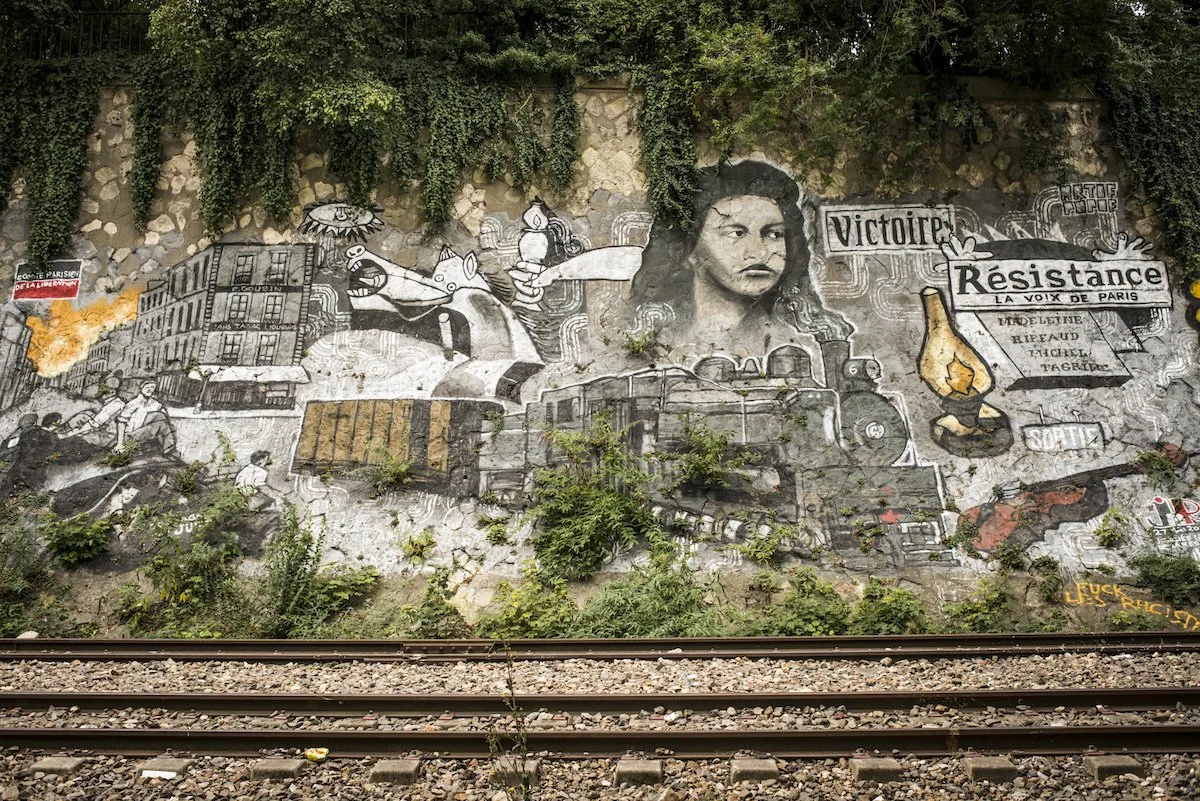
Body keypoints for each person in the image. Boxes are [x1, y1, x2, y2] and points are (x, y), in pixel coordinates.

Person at [631, 160, 853, 358]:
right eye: (736, 233)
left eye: (774, 234)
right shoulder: (660, 340)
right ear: (690, 250)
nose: (757, 252)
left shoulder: (806, 346)